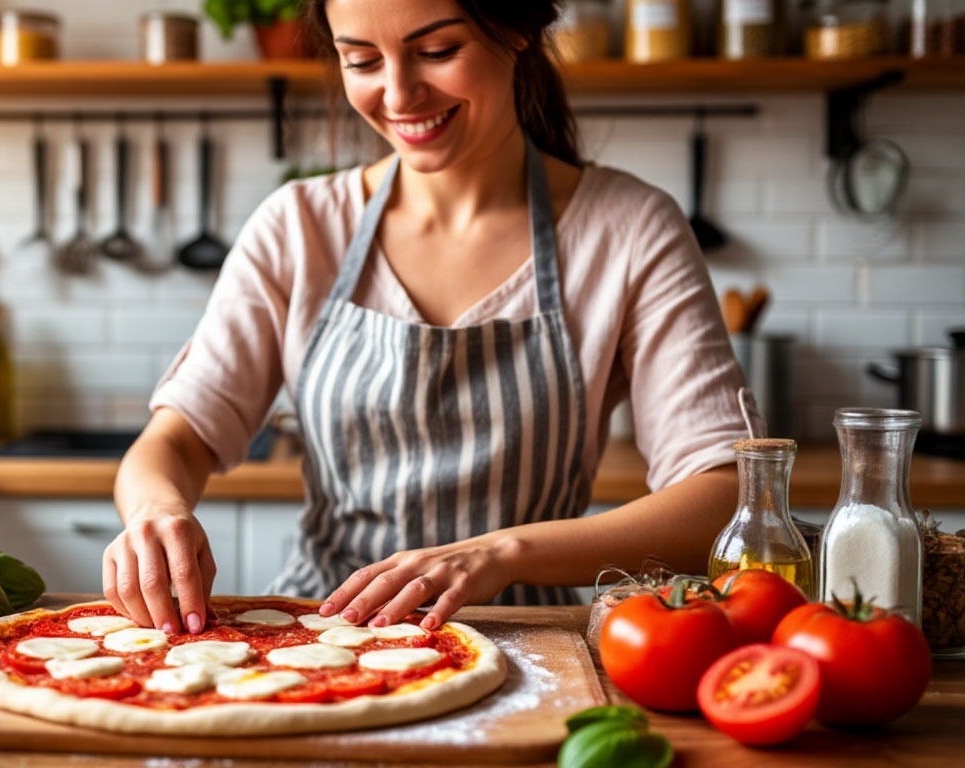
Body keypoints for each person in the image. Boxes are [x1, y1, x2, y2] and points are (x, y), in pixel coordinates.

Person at [104, 0, 749, 636]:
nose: (399, 94)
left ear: (518, 32)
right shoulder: (299, 227)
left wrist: (499, 553)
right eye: (361, 60)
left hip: (528, 638)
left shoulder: (629, 229)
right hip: (319, 636)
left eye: (437, 52)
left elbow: (723, 495)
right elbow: (175, 440)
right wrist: (156, 511)